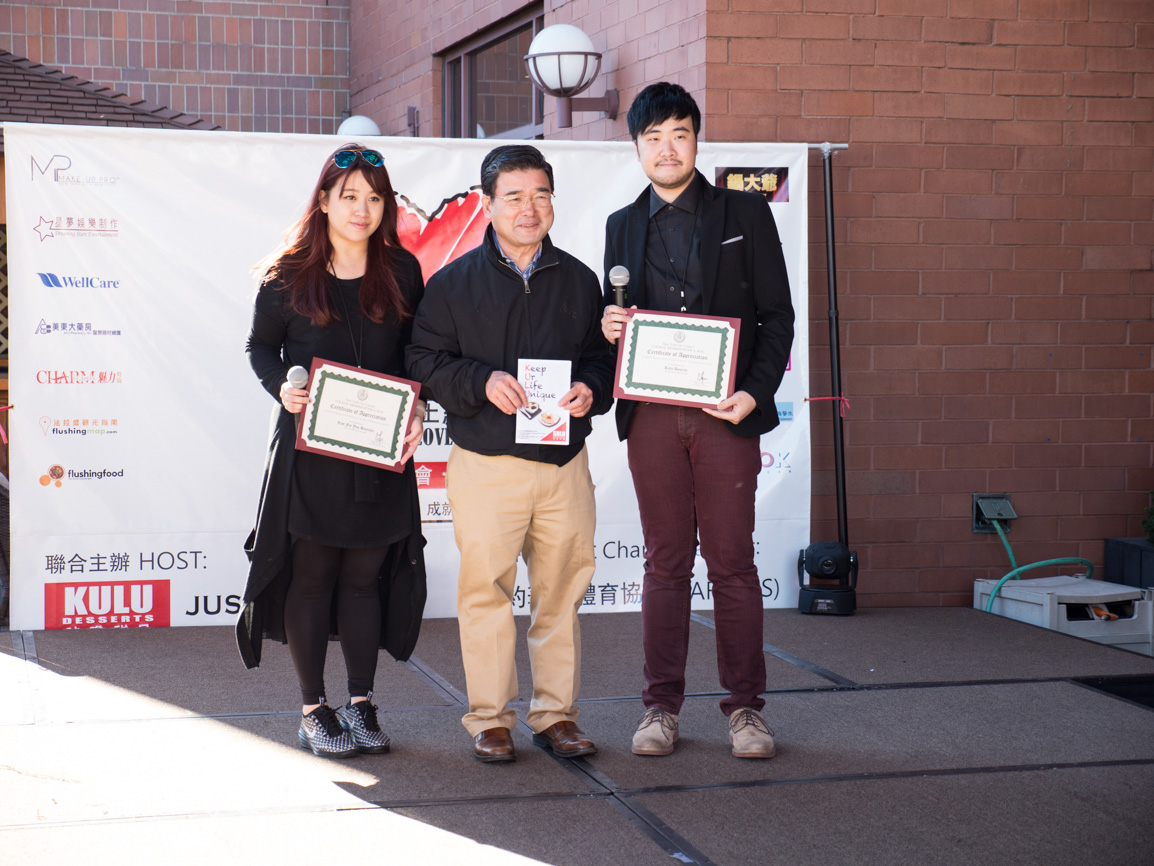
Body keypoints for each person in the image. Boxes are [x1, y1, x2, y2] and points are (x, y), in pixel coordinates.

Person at [601, 82, 795, 759]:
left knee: (732, 562)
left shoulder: (745, 212)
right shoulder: (621, 224)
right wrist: (608, 324)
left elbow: (778, 317)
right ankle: (660, 709)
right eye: (653, 138)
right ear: (636, 148)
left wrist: (754, 394)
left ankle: (746, 711)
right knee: (665, 563)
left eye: (678, 134)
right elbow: (615, 319)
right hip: (653, 416)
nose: (666, 148)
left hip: (724, 414)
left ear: (695, 140)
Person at [407, 144, 615, 763]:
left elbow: (601, 357)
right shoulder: (452, 282)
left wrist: (591, 388)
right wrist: (481, 381)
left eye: (541, 195)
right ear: (488, 204)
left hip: (563, 466)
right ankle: (490, 719)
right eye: (515, 196)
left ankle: (556, 716)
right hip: (487, 465)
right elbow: (422, 360)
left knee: (561, 594)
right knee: (486, 593)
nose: (530, 208)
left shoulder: (579, 279)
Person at [237, 144, 428, 759]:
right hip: (311, 454)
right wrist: (282, 387)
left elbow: (417, 356)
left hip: (379, 454)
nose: (362, 209)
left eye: (374, 198)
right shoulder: (289, 275)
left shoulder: (402, 271)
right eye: (349, 196)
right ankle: (313, 710)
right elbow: (260, 349)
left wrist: (420, 408)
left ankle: (361, 703)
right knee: (314, 577)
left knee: (366, 579)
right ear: (323, 201)